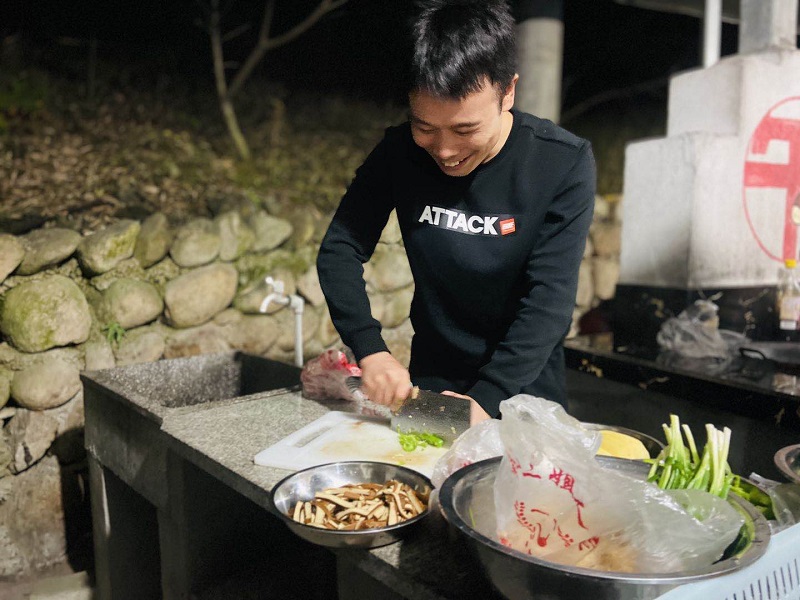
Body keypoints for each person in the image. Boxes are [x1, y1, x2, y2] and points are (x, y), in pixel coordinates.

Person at [317, 0, 595, 423]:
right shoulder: (399, 153)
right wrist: (370, 349)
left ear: (508, 92)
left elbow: (549, 299)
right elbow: (340, 249)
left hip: (524, 394)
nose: (445, 151)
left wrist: (489, 397)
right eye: (425, 127)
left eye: (465, 129)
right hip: (431, 383)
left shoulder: (561, 163)